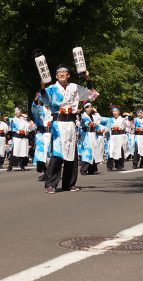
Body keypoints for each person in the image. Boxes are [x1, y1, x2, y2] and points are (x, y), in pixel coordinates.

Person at [39, 64, 98, 194]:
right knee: (57, 154)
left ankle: (69, 184)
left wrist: (88, 79)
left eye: (64, 72)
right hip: (58, 124)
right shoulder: (52, 88)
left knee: (72, 154)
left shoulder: (74, 87)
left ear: (68, 75)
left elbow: (90, 94)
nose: (61, 74)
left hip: (71, 123)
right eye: (59, 72)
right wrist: (42, 87)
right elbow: (44, 99)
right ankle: (51, 184)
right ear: (55, 76)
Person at [31, 92, 53, 180]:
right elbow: (34, 110)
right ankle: (42, 171)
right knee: (40, 152)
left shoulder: (53, 110)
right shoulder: (40, 109)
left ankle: (50, 171)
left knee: (49, 153)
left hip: (50, 133)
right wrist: (35, 101)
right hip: (41, 133)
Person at [102, 106, 129, 171]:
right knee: (111, 150)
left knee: (120, 151)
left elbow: (128, 125)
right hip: (113, 136)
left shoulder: (123, 119)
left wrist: (128, 116)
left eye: (116, 111)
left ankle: (119, 166)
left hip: (120, 136)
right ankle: (110, 166)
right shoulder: (110, 120)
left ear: (119, 112)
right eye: (113, 111)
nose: (114, 113)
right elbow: (107, 127)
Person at [7, 106, 30, 172]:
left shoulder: (24, 119)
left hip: (24, 137)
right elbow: (8, 122)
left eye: (17, 110)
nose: (16, 112)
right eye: (15, 111)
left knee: (23, 151)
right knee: (14, 151)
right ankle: (10, 166)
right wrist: (7, 120)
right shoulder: (12, 119)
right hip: (16, 137)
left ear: (21, 111)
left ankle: (22, 165)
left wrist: (27, 117)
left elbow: (30, 127)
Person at [78, 102, 98, 175]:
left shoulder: (93, 116)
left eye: (90, 107)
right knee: (87, 152)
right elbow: (80, 119)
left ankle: (91, 169)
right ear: (85, 109)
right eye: (88, 107)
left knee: (93, 151)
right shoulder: (83, 115)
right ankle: (84, 169)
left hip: (92, 134)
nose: (89, 108)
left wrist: (96, 112)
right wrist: (79, 114)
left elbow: (99, 121)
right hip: (86, 135)